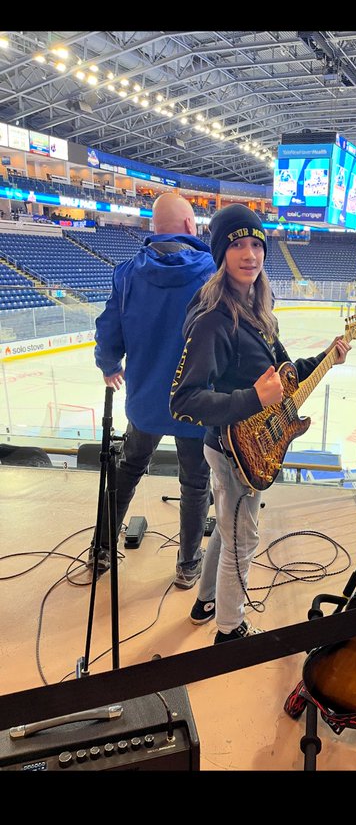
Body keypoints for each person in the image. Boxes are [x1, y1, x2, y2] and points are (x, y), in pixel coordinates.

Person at [169, 203, 351, 642]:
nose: (249, 254)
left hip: (252, 445)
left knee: (228, 530)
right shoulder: (215, 318)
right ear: (221, 253)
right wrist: (253, 398)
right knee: (241, 542)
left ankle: (207, 602)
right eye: (238, 246)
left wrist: (327, 356)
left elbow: (283, 372)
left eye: (256, 244)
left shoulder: (257, 310)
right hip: (234, 452)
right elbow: (183, 401)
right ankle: (229, 632)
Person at [92, 191, 216, 586]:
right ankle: (188, 564)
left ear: (155, 228)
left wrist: (109, 364)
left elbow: (109, 329)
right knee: (195, 482)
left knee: (128, 469)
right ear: (188, 227)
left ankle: (102, 549)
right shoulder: (213, 272)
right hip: (196, 404)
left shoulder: (127, 273)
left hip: (145, 402)